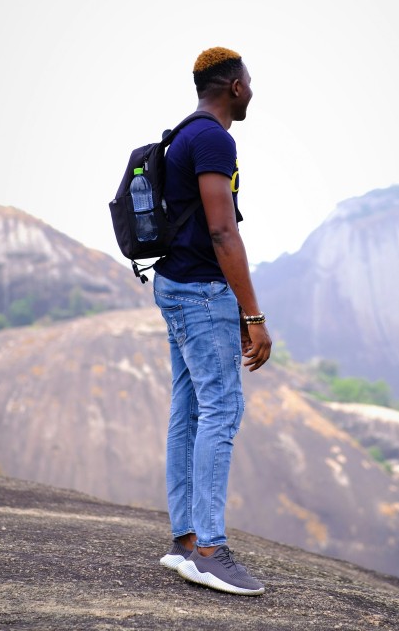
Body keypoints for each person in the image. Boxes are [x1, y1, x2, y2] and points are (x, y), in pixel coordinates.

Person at [153, 47, 272, 595]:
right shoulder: (214, 140)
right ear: (233, 87)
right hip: (202, 294)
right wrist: (253, 314)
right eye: (248, 79)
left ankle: (185, 540)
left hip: (175, 285)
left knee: (189, 408)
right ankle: (208, 550)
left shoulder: (183, 133)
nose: (252, 87)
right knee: (221, 408)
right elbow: (224, 231)